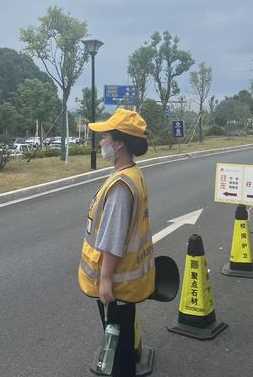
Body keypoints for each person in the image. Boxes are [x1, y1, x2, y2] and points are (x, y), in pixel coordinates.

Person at [78, 109, 155, 377]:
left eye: (105, 137)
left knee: (119, 351)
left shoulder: (121, 185)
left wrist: (106, 278)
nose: (101, 143)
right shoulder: (133, 173)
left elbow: (113, 238)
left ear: (119, 142)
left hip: (117, 285)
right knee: (122, 343)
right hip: (127, 283)